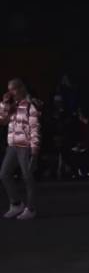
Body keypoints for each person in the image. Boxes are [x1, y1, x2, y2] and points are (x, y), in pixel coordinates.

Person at [0, 78, 42, 220]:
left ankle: (31, 208)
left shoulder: (31, 105)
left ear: (21, 88)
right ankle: (16, 204)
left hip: (25, 146)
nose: (11, 92)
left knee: (27, 177)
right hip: (12, 145)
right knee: (4, 174)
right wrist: (4, 103)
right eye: (9, 89)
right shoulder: (13, 105)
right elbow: (2, 120)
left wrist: (34, 152)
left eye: (14, 89)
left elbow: (35, 129)